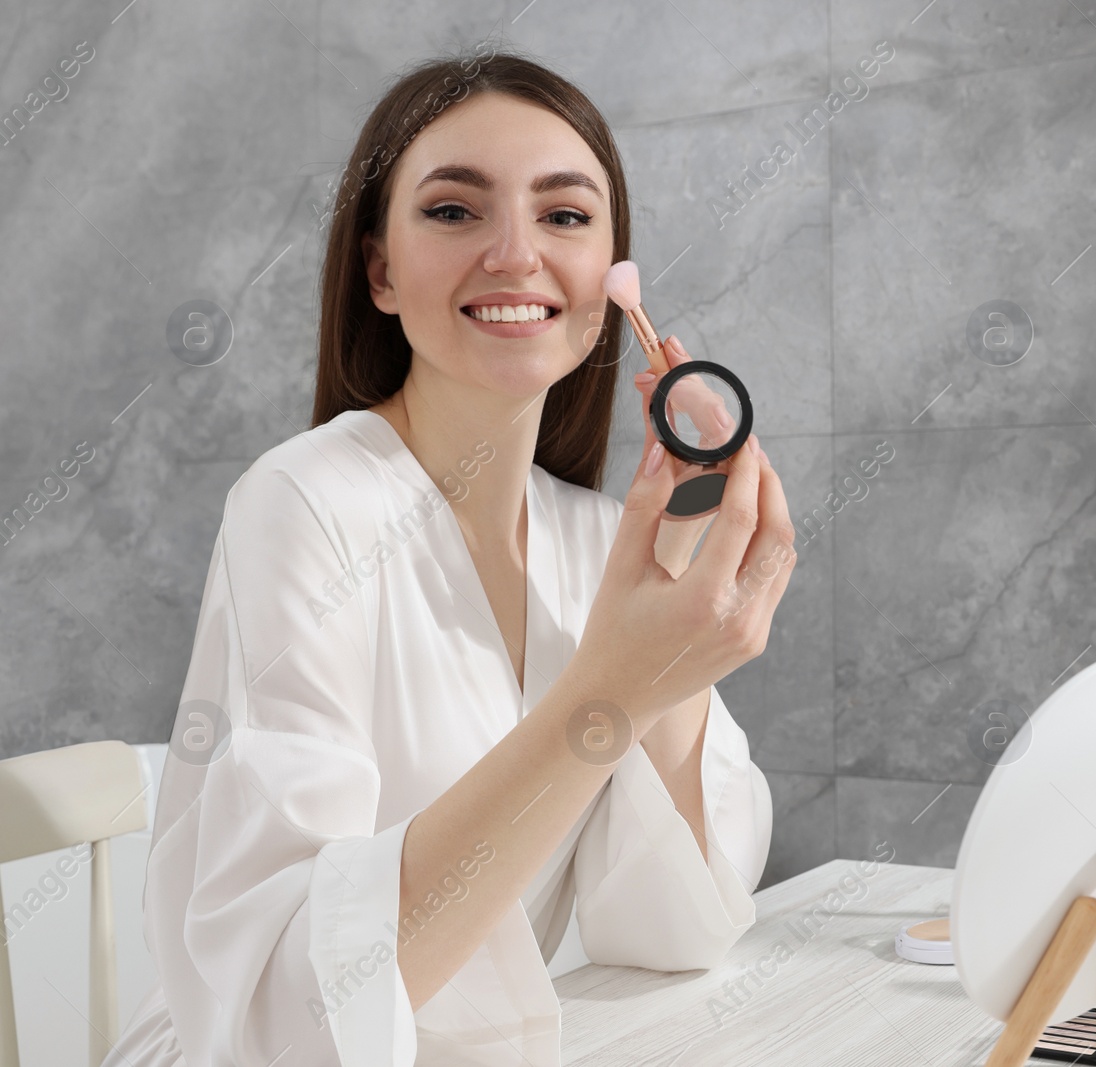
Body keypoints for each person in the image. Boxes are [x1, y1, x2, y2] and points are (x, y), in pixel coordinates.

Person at [112, 46, 795, 1066]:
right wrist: (606, 686)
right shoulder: (303, 503)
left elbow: (673, 928)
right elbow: (292, 1017)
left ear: (610, 283)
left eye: (564, 216)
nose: (516, 254)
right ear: (379, 271)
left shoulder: (593, 537)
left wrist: (677, 637)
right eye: (453, 210)